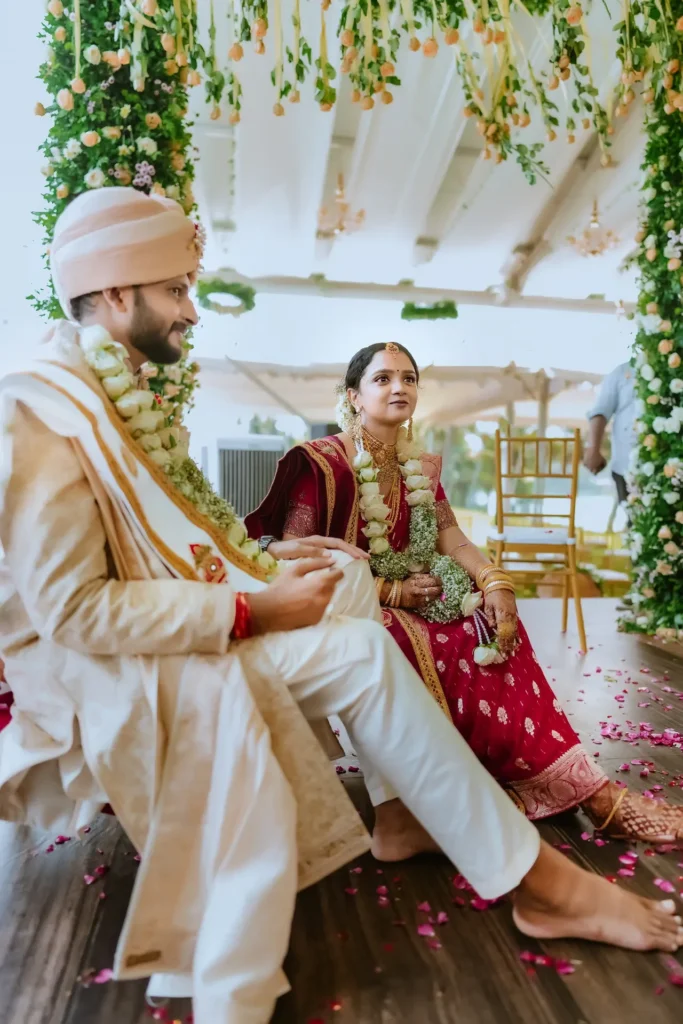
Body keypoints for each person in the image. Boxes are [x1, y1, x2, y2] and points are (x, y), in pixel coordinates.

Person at [1, 193, 680, 1024]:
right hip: (117, 676)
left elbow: (164, 543)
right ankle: (537, 881)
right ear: (115, 294)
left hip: (174, 631)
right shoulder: (42, 410)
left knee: (345, 571)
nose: (189, 312)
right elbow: (75, 613)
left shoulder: (112, 391)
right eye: (176, 291)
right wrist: (254, 611)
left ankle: (398, 813)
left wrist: (274, 563)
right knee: (362, 651)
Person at [246, 342, 683, 851]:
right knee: (448, 644)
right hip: (345, 607)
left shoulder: (423, 468)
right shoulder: (320, 463)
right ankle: (586, 796)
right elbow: (301, 559)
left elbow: (451, 538)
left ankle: (567, 784)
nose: (399, 387)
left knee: (490, 628)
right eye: (383, 379)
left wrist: (494, 580)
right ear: (354, 396)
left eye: (408, 378)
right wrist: (390, 590)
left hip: (420, 593)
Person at [583, 361, 637, 506]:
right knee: (636, 520)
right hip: (626, 463)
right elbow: (600, 411)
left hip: (674, 465)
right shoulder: (622, 371)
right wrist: (593, 450)